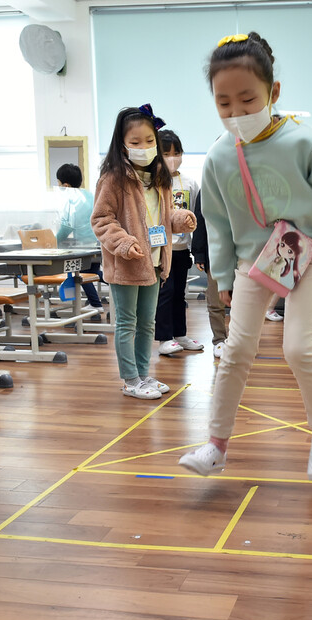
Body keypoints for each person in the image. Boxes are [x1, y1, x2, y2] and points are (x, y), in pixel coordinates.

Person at [177, 32, 312, 480]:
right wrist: (222, 276)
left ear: (273, 93)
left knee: (299, 347)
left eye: (247, 99)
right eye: (224, 104)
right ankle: (216, 445)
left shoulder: (305, 143)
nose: (236, 113)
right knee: (235, 349)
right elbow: (216, 222)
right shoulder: (219, 157)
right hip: (250, 263)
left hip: (308, 254)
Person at [91, 105, 196, 400]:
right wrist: (123, 243)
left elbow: (161, 216)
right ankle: (130, 379)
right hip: (127, 264)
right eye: (135, 142)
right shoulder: (113, 178)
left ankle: (143, 374)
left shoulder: (160, 178)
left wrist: (179, 219)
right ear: (122, 144)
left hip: (154, 262)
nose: (144, 148)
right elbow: (101, 219)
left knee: (147, 323)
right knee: (127, 322)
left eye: (149, 141)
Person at [154, 129, 205, 356]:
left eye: (177, 152)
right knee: (165, 293)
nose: (172, 157)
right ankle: (164, 337)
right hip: (161, 249)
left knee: (179, 294)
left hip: (182, 249)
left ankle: (179, 334)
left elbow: (195, 217)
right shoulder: (153, 183)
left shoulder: (190, 183)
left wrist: (197, 249)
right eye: (166, 153)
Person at [54, 163, 104, 310]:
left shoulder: (71, 200)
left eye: (58, 184)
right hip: (96, 243)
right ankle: (96, 303)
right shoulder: (88, 194)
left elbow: (66, 227)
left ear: (66, 185)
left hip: (86, 245)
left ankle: (96, 304)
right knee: (92, 272)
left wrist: (53, 242)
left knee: (82, 273)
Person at [191, 191, 229, 358]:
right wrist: (199, 253)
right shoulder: (207, 187)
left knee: (244, 300)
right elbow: (199, 220)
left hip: (242, 251)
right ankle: (219, 340)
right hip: (214, 252)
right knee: (215, 300)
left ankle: (239, 339)